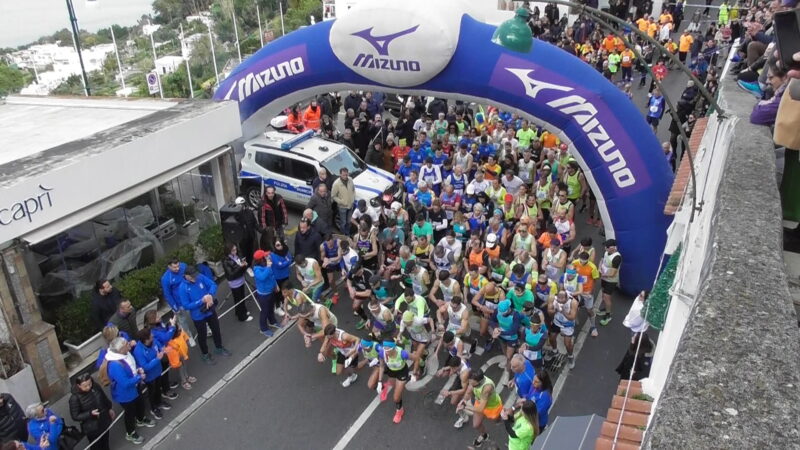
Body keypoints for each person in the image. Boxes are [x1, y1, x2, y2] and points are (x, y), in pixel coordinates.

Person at [99, 337, 154, 443]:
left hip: (135, 388)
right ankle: (130, 433)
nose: (129, 344)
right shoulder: (115, 365)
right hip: (126, 395)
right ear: (120, 350)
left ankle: (141, 419)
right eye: (126, 344)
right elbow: (124, 383)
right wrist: (139, 377)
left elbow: (132, 365)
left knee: (140, 404)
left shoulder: (125, 354)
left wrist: (138, 369)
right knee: (130, 413)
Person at [179, 266, 232, 365]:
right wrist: (201, 301)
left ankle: (219, 347)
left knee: (216, 329)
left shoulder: (200, 277)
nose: (195, 278)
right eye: (192, 277)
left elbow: (212, 284)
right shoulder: (183, 288)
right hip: (198, 315)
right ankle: (205, 354)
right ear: (186, 276)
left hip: (209, 310)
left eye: (195, 275)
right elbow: (186, 305)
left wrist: (209, 295)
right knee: (202, 335)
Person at [69, 373, 114, 450]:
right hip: (91, 427)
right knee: (96, 445)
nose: (88, 387)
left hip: (104, 419)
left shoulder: (95, 386)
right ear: (79, 386)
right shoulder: (74, 398)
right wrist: (90, 414)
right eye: (85, 386)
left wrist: (109, 408)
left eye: (90, 384)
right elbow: (75, 416)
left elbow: (103, 398)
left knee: (105, 440)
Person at [131, 329, 169, 421]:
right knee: (152, 392)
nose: (152, 335)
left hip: (158, 371)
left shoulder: (154, 341)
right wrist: (157, 359)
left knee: (158, 387)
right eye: (150, 335)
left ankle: (159, 402)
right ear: (146, 339)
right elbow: (145, 367)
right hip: (149, 376)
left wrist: (163, 350)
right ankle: (153, 408)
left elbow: (160, 347)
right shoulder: (138, 351)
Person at [459, 369, 503, 447]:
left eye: (470, 380)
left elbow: (480, 409)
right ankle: (484, 435)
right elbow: (468, 392)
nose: (468, 382)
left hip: (492, 407)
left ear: (477, 381)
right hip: (480, 403)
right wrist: (463, 401)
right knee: (476, 425)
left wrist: (465, 406)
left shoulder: (487, 388)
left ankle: (500, 418)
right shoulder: (474, 379)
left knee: (496, 419)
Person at [160, 259, 195, 347]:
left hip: (190, 297)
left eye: (178, 266)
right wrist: (175, 307)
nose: (177, 268)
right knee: (183, 320)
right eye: (174, 267)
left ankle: (205, 327)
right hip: (180, 303)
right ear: (169, 267)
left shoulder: (184, 266)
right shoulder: (166, 279)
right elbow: (167, 295)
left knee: (198, 312)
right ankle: (189, 336)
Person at [376, 341, 412, 424]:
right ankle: (386, 386)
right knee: (393, 385)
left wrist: (415, 372)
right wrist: (379, 382)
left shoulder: (403, 354)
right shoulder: (382, 352)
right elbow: (381, 366)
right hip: (391, 370)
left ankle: (399, 410)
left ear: (394, 348)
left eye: (388, 350)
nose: (386, 352)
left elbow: (416, 358)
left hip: (402, 372)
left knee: (396, 397)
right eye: (385, 349)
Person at [252, 250, 281, 337]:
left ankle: (273, 321)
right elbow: (262, 277)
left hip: (271, 291)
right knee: (264, 311)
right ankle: (263, 328)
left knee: (271, 308)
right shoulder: (257, 269)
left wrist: (276, 285)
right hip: (263, 295)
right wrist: (268, 267)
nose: (266, 257)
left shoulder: (266, 264)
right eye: (264, 256)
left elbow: (271, 276)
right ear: (261, 259)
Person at [222, 243, 253, 323]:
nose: (235, 251)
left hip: (240, 279)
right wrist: (241, 267)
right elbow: (231, 274)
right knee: (239, 299)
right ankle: (242, 316)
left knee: (242, 297)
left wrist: (244, 265)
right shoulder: (226, 261)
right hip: (235, 283)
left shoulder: (236, 256)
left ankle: (241, 311)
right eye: (233, 250)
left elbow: (239, 265)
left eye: (236, 249)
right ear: (228, 251)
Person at [548, 291, 579, 369]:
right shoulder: (552, 298)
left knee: (567, 344)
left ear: (566, 298)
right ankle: (555, 351)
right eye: (558, 300)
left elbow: (572, 317)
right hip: (557, 322)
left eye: (562, 300)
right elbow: (549, 312)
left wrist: (562, 311)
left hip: (567, 325)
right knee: (551, 338)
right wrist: (555, 310)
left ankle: (570, 356)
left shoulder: (573, 302)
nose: (560, 302)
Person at [164, 325, 196, 391]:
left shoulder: (180, 334)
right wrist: (176, 361)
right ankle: (184, 381)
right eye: (178, 329)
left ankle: (187, 377)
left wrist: (187, 342)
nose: (180, 330)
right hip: (178, 357)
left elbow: (185, 337)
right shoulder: (171, 342)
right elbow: (171, 353)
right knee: (181, 368)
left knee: (184, 366)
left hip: (183, 355)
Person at [598, 239, 622, 326]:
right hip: (604, 277)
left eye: (607, 247)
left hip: (611, 281)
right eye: (605, 246)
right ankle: (605, 309)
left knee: (607, 297)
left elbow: (613, 273)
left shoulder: (617, 257)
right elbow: (601, 260)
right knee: (603, 293)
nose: (605, 248)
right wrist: (599, 268)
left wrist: (602, 274)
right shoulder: (606, 252)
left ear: (613, 248)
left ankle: (608, 315)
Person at [332, 168, 355, 235]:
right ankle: (343, 235)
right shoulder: (336, 184)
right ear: (340, 174)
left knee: (348, 222)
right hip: (342, 207)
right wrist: (341, 201)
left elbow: (353, 190)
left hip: (350, 205)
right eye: (344, 175)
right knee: (343, 222)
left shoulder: (350, 180)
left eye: (346, 174)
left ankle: (347, 235)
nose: (345, 176)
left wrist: (353, 199)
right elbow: (333, 196)